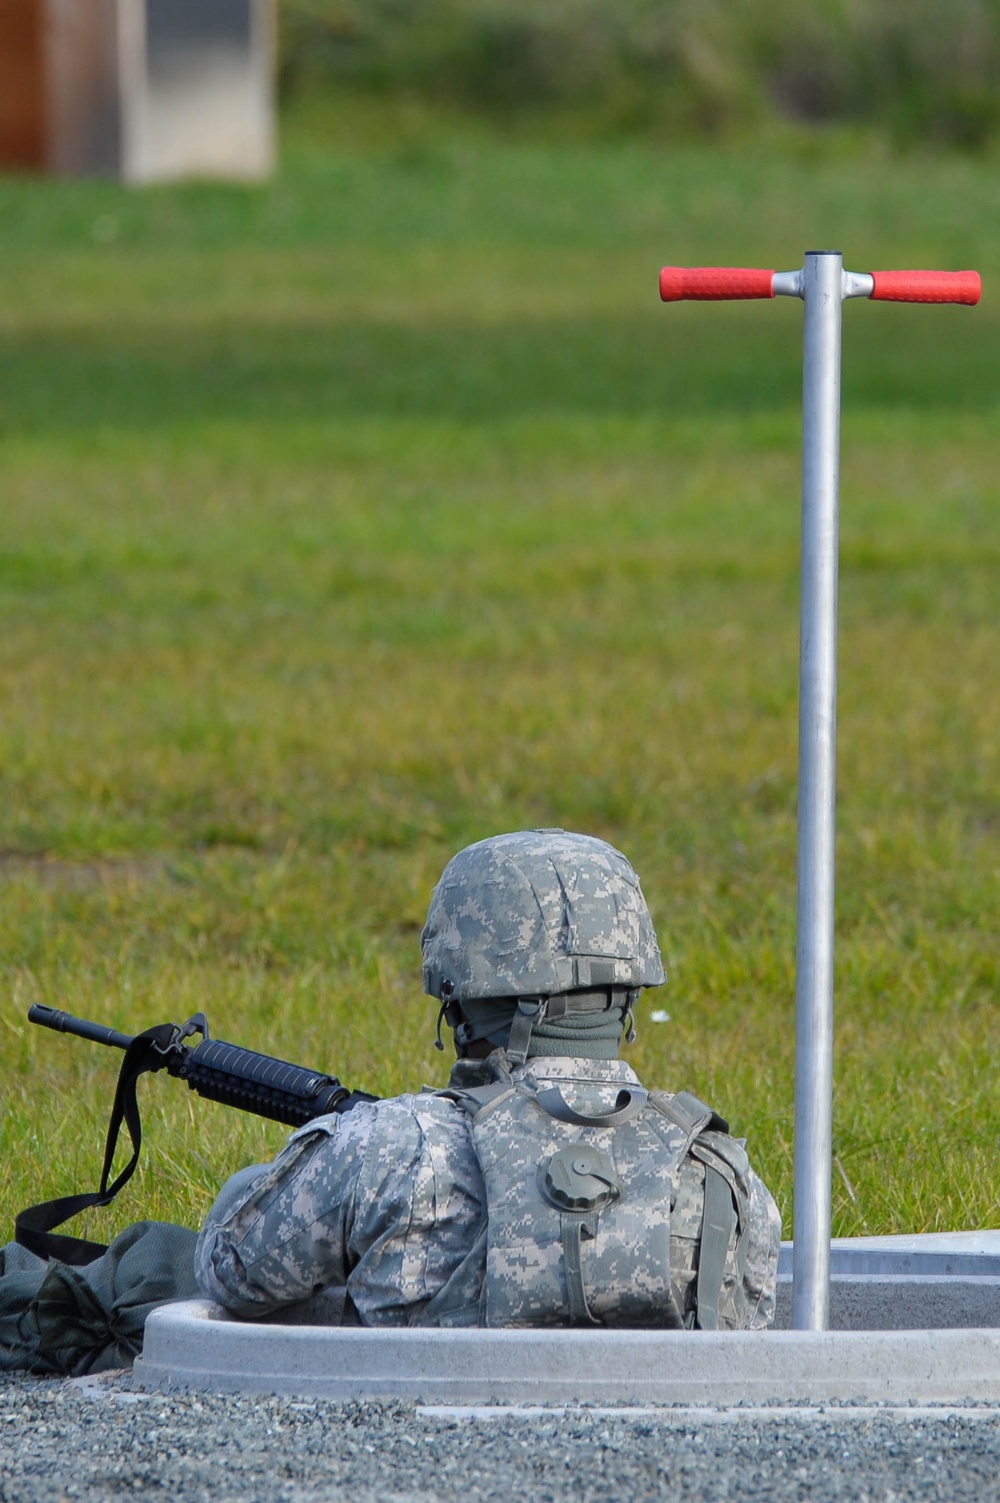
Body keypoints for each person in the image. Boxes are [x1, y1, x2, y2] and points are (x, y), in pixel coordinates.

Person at [195, 829, 780, 1329]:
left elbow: (234, 1271)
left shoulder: (390, 1148)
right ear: (629, 991)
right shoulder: (722, 1175)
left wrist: (286, 1171)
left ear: (459, 996)